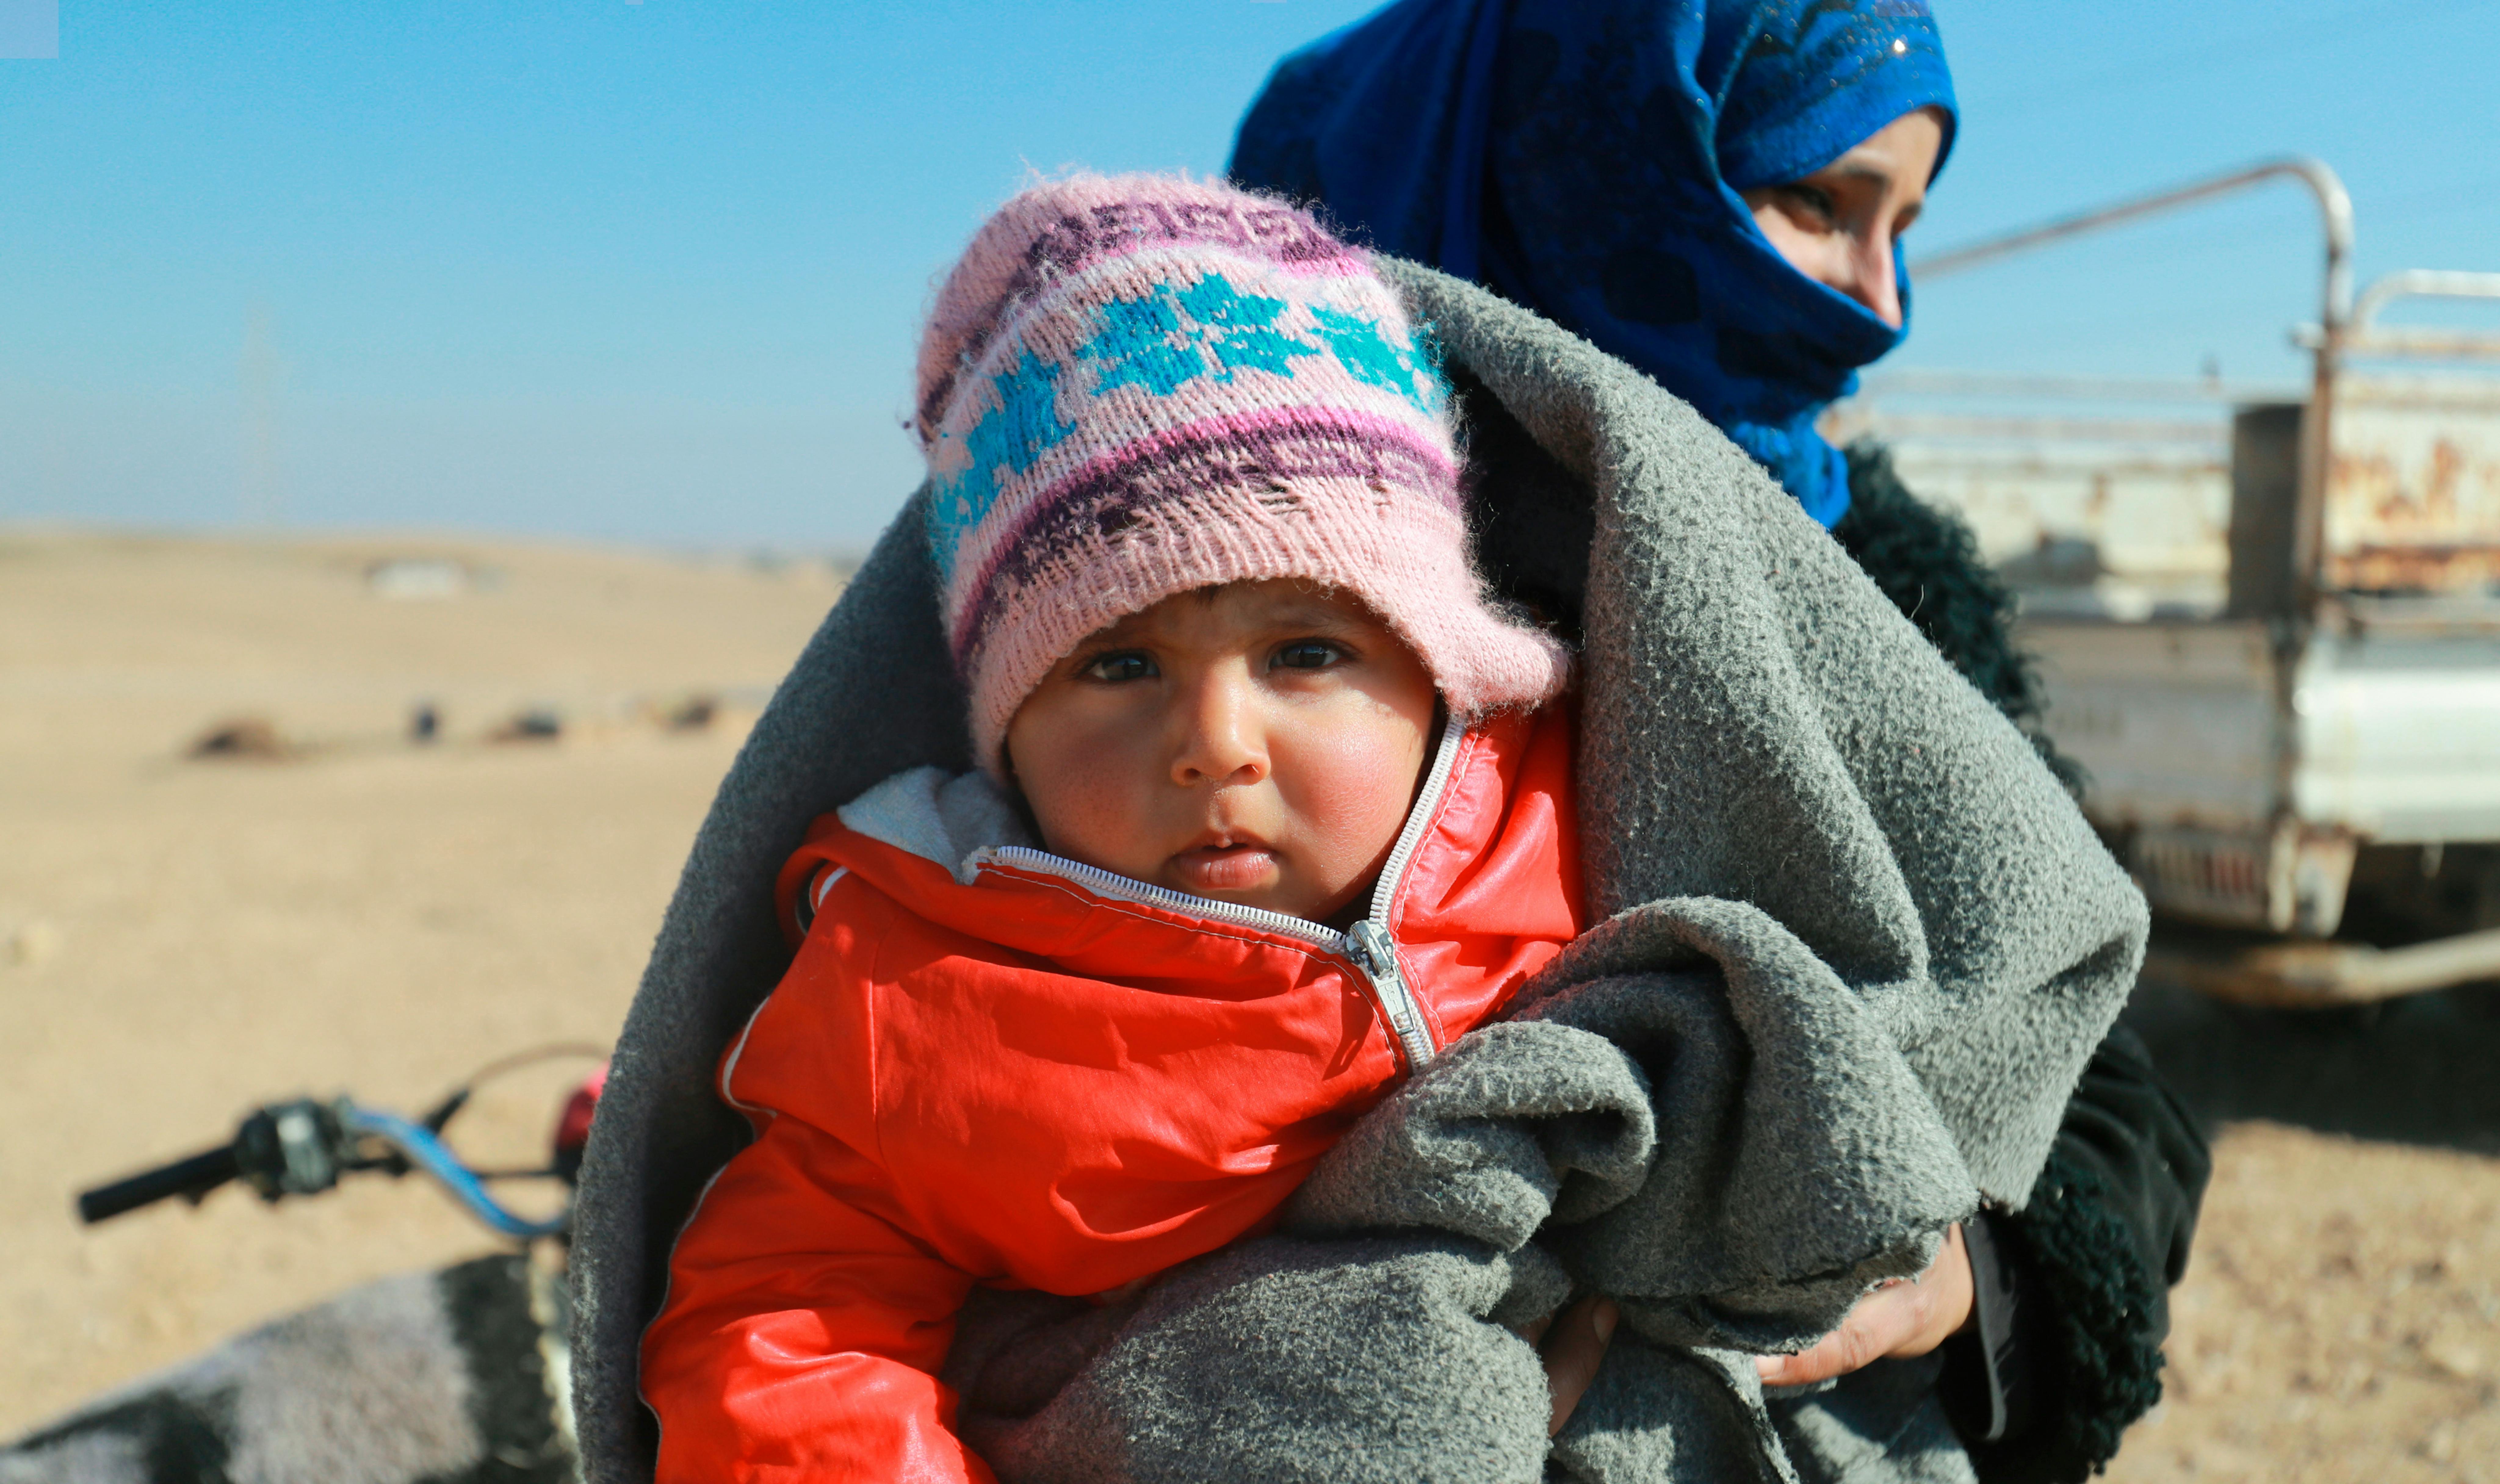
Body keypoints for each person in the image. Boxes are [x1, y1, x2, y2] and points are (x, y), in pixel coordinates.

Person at [1229, 2, 2209, 1479]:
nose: (1877, 301)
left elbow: (2098, 1072)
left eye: (1904, 228)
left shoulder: (1871, 578)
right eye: (1817, 200)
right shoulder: (1203, 585)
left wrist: (1978, 1279)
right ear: (1594, 160)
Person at [636, 173, 1589, 1481]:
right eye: (1117, 666)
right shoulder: (921, 997)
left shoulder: (1572, 822)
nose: (1216, 741)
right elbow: (789, 1328)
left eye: (1305, 650)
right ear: (1005, 728)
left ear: (1437, 674)